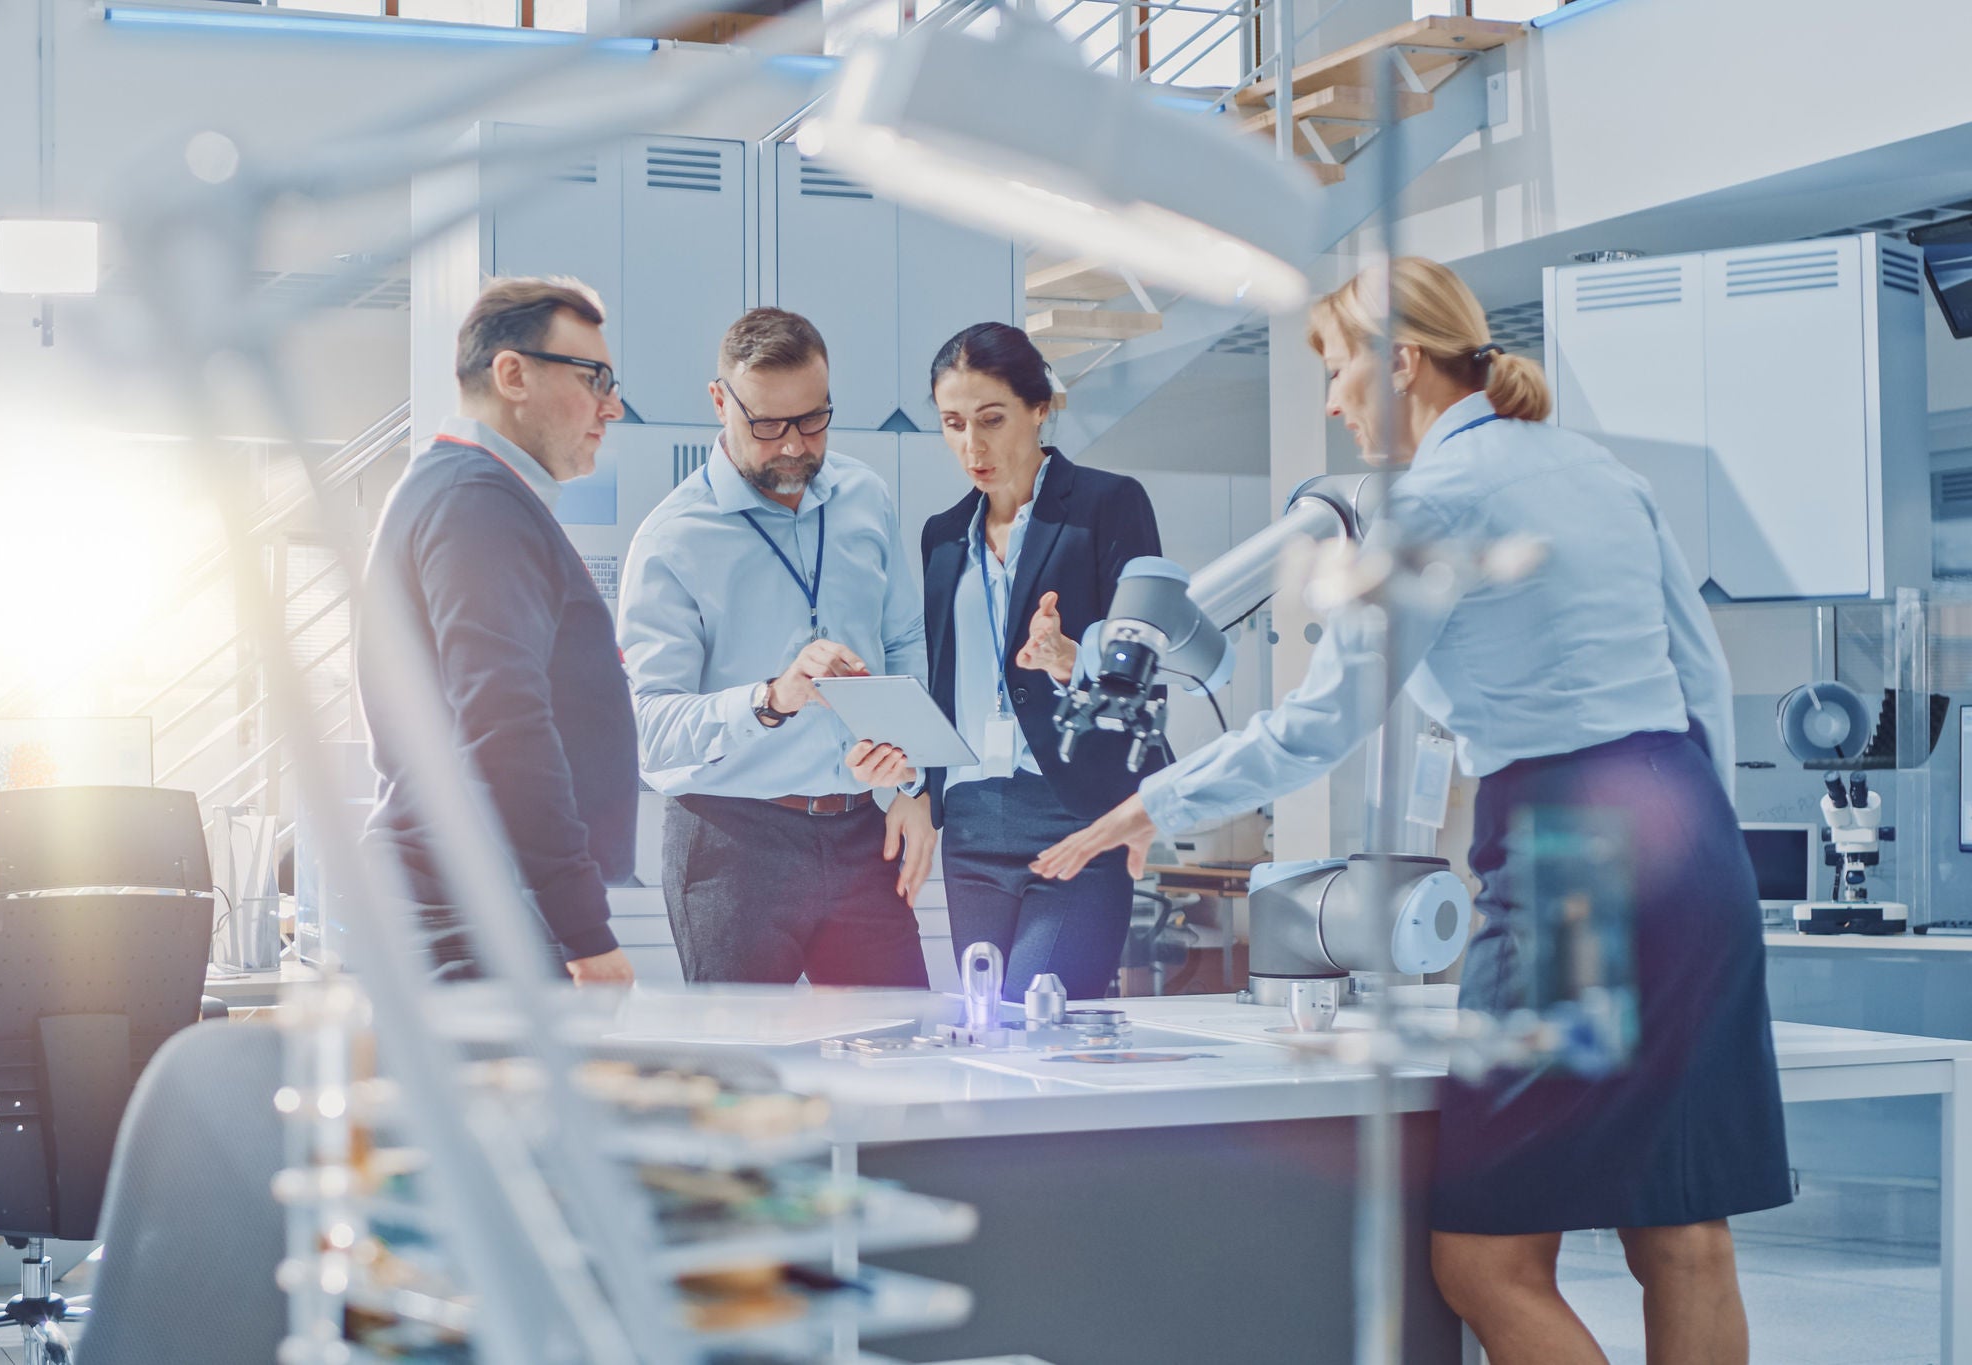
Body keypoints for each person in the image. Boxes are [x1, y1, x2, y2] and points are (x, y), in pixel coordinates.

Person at [1034, 258, 1790, 1365]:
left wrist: (1149, 805)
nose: (1334, 402)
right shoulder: (1595, 468)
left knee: (1483, 1260)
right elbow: (1701, 678)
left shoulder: (1427, 503)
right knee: (1682, 1229)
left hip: (1568, 848)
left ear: (1396, 362)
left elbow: (1317, 725)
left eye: (1336, 369)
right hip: (1690, 832)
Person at [618, 308, 934, 987]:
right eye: (767, 425)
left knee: (902, 1058)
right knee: (748, 1074)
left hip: (861, 834)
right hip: (733, 841)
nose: (793, 446)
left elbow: (904, 638)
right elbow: (650, 730)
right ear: (719, 402)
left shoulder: (864, 498)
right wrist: (770, 698)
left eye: (813, 419)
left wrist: (914, 782)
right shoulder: (672, 540)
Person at [360, 276, 640, 985]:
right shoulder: (476, 502)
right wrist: (586, 932)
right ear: (512, 374)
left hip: (480, 903)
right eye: (594, 377)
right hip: (477, 915)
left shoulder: (470, 492)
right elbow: (504, 723)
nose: (613, 405)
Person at [897, 322, 1162, 1001]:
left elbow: (1148, 655)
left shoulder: (1108, 505)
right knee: (987, 1023)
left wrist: (1074, 658)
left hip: (1076, 808)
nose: (971, 445)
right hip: (975, 821)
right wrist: (918, 788)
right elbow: (942, 674)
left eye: (991, 419)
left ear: (1040, 408)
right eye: (953, 423)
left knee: (1037, 1021)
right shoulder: (941, 538)